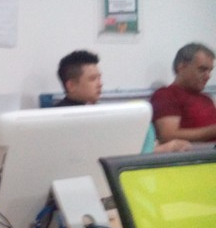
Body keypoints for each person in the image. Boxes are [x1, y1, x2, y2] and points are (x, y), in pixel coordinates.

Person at [55, 49, 191, 153]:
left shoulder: (101, 111)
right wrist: (165, 148)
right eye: (92, 79)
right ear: (71, 86)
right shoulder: (60, 118)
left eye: (99, 78)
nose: (100, 84)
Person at [150, 42, 216, 143]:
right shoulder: (166, 95)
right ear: (181, 67)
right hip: (195, 152)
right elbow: (168, 136)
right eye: (202, 70)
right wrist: (212, 131)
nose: (208, 76)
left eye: (210, 71)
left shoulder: (206, 98)